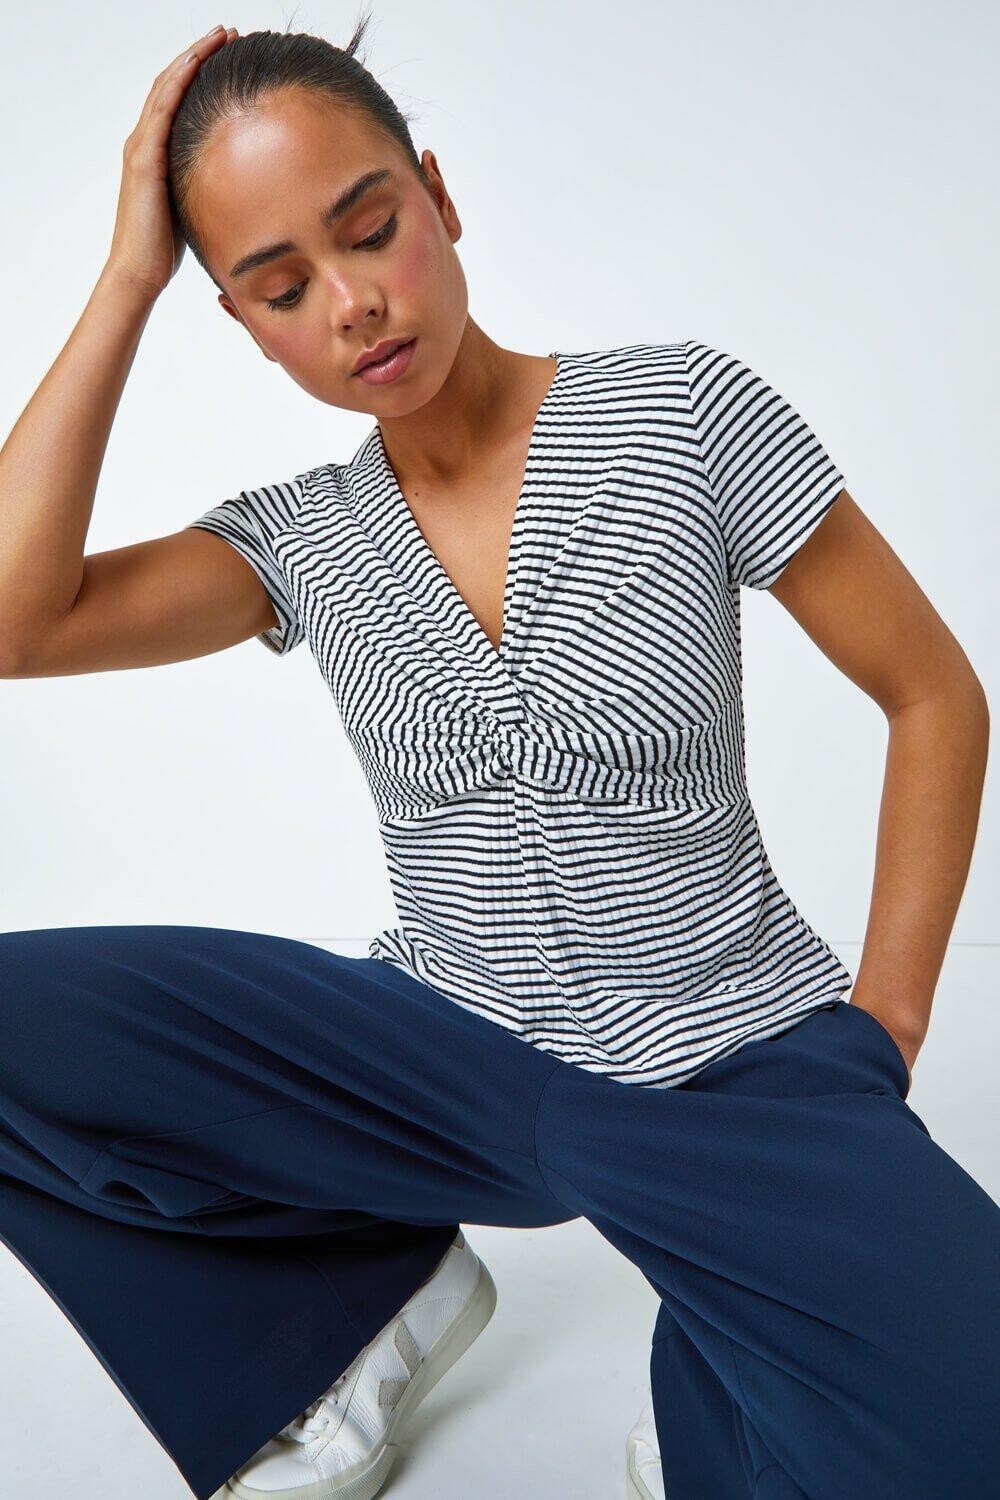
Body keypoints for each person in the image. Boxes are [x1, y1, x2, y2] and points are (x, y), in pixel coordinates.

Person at [0, 16, 996, 1500]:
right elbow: (15, 621)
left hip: (734, 1063)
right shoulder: (296, 539)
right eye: (281, 286)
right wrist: (128, 277)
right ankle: (342, 1328)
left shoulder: (684, 413)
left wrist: (887, 1021)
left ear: (441, 196)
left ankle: (721, 1369)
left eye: (370, 230)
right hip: (440, 1060)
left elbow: (932, 694)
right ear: (246, 324)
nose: (353, 303)